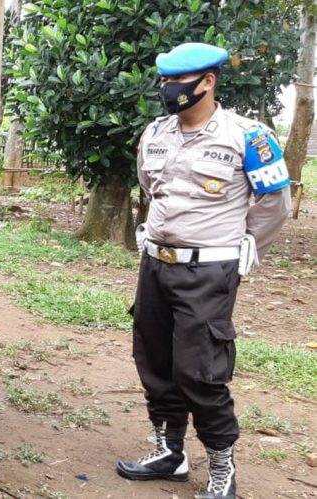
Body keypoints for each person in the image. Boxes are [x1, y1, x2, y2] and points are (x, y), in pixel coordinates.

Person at [116, 43, 291, 499]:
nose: (168, 90)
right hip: (155, 264)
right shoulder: (155, 133)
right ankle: (169, 452)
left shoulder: (249, 137)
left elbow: (275, 203)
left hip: (208, 271)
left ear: (208, 82)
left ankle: (221, 467)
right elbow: (151, 187)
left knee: (200, 371)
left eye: (178, 82)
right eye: (165, 82)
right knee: (153, 361)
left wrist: (245, 244)